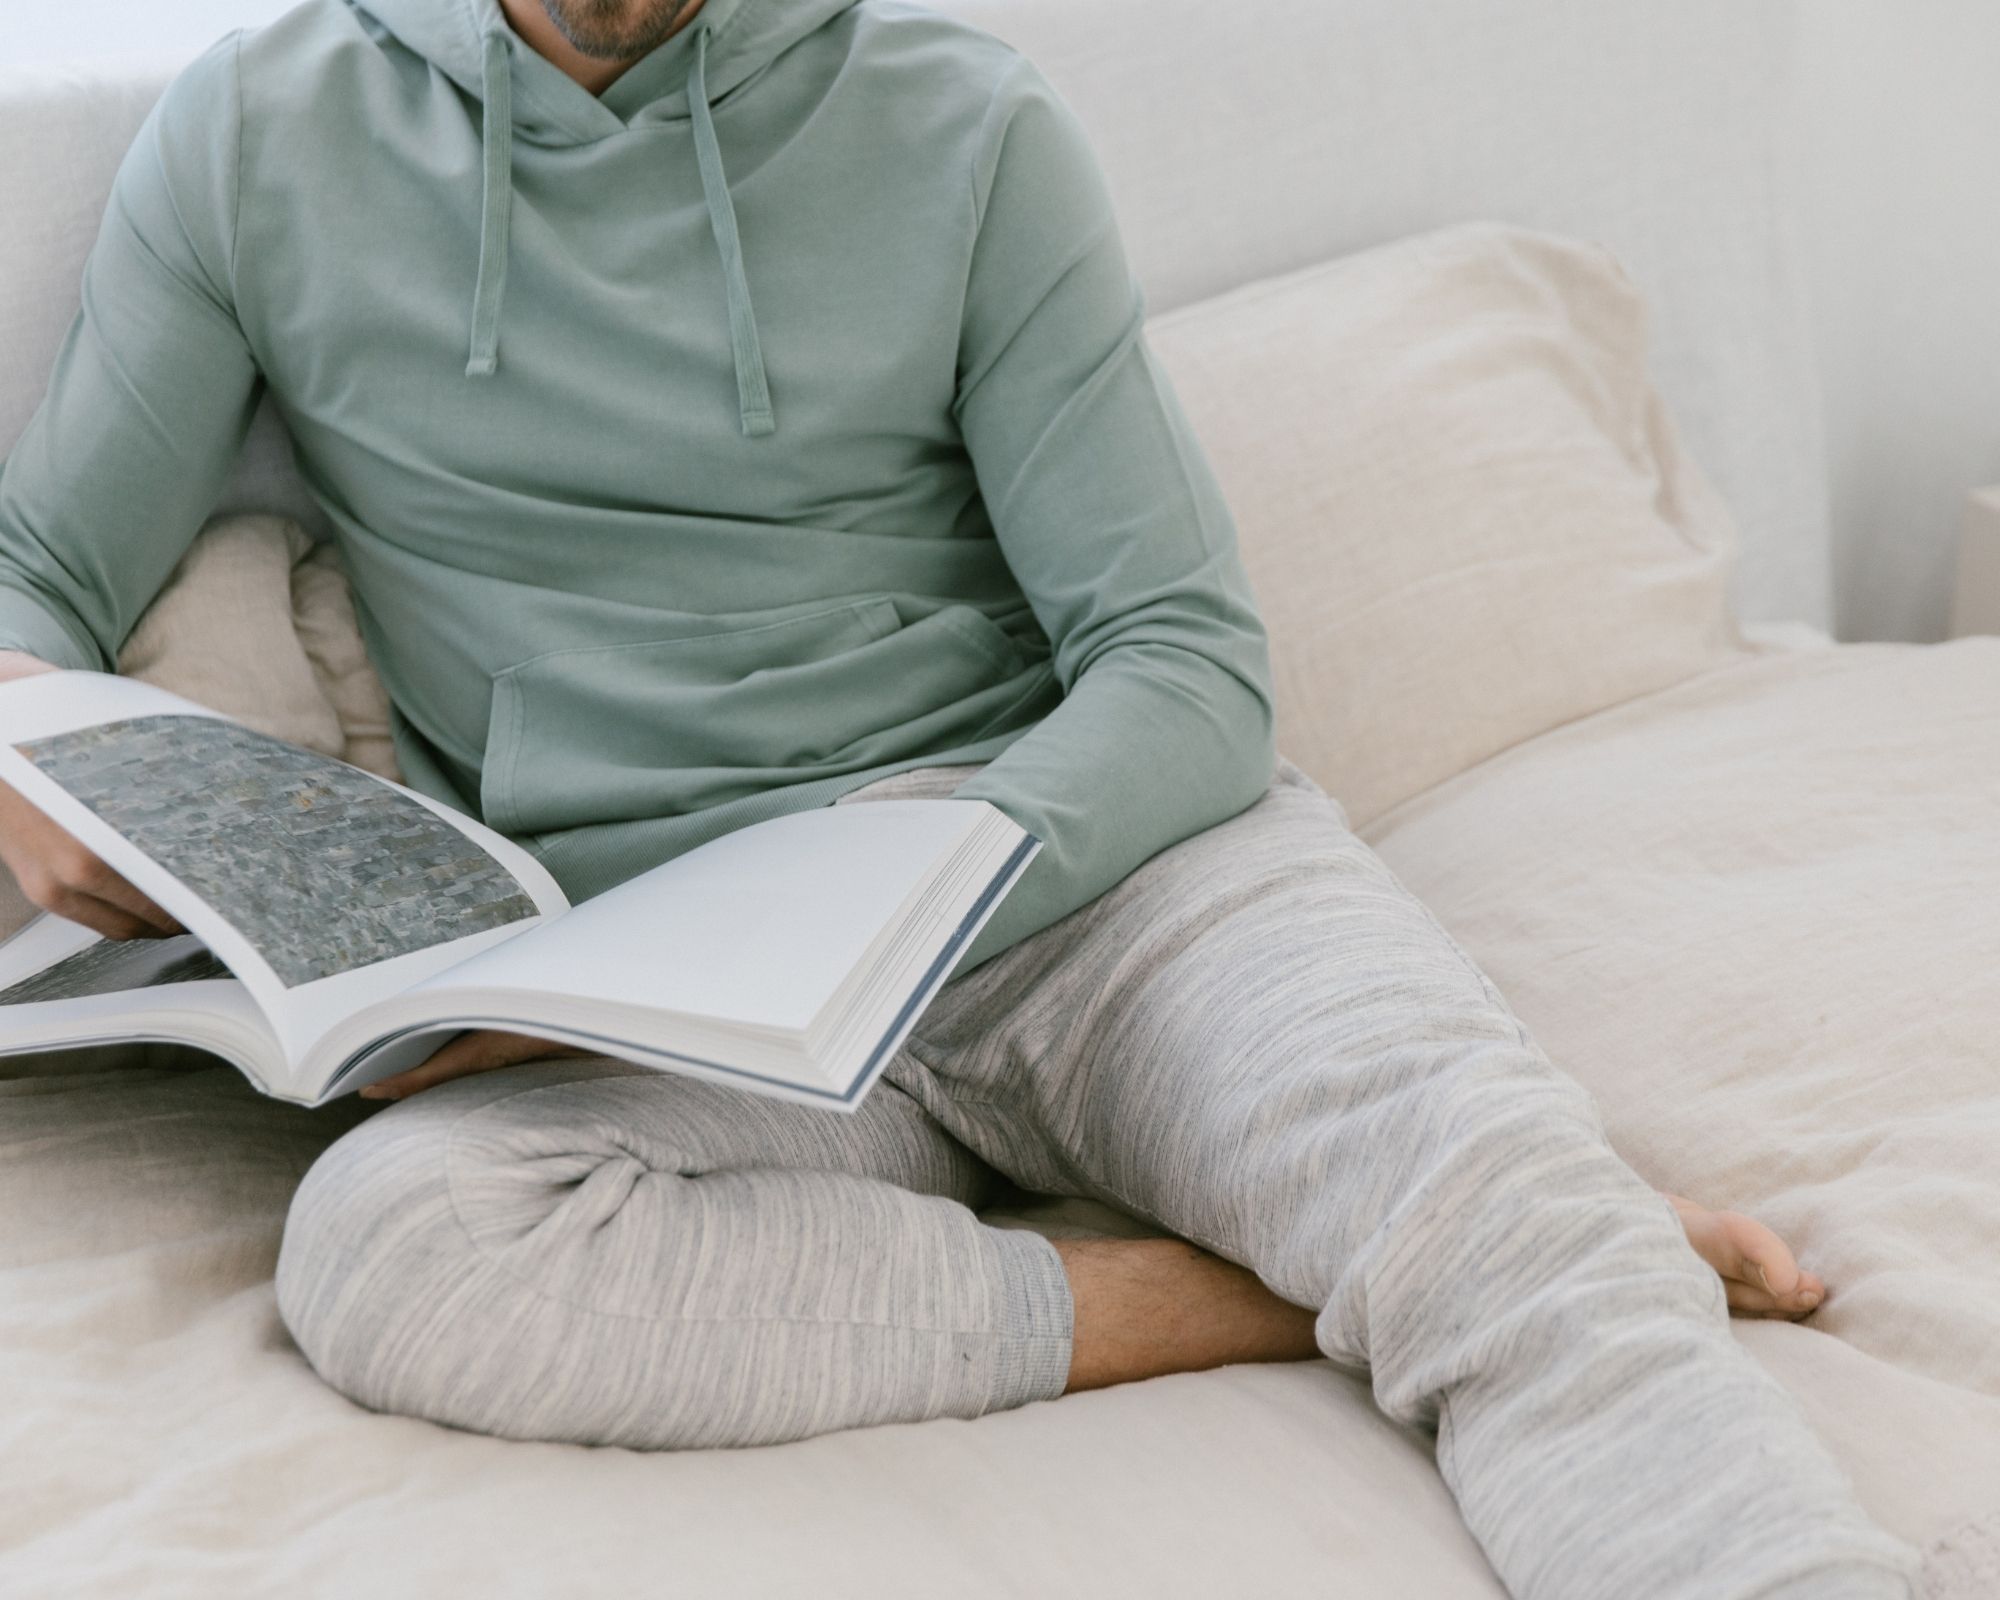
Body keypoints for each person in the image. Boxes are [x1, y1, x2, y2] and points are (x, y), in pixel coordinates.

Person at [0, 1, 1917, 1594]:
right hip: (665, 984)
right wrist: (28, 756)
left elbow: (1184, 661)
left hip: (1088, 880)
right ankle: (1244, 1283)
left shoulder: (964, 125)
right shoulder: (256, 138)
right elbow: (39, 572)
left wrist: (895, 899)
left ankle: (1500, 1275)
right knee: (400, 1256)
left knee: (1484, 1190)